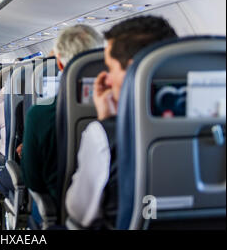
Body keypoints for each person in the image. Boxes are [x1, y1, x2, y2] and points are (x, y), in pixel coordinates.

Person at [65, 16, 177, 229]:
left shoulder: (103, 135)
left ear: (134, 70)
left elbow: (79, 211)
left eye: (110, 68)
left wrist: (107, 123)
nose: (106, 79)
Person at [21, 25, 103, 226]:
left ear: (59, 63)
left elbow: (33, 182)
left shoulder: (39, 115)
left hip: (60, 215)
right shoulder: (124, 110)